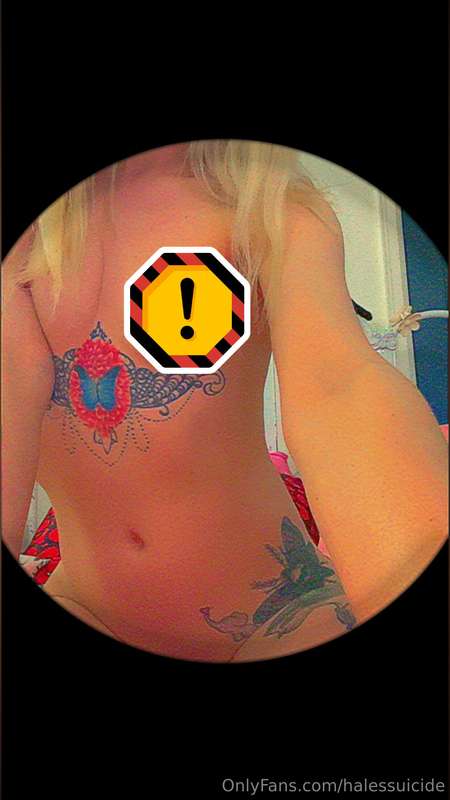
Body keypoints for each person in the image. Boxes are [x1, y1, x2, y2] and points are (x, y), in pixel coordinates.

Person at [2, 141, 448, 663]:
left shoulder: (271, 208)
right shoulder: (26, 246)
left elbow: (339, 386)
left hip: (278, 616)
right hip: (85, 604)